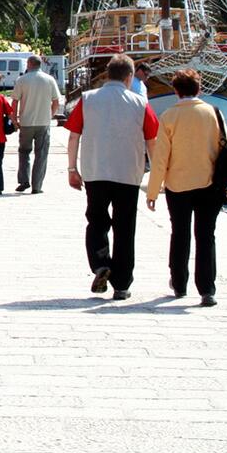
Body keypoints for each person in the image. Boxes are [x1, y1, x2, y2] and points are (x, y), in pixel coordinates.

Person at [64, 54, 159, 301]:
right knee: (125, 228)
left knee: (96, 220)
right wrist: (158, 175)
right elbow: (152, 141)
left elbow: (74, 135)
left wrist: (72, 169)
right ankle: (122, 284)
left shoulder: (88, 100)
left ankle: (100, 263)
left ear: (107, 74)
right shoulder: (140, 103)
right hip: (128, 172)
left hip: (96, 171)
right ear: (129, 77)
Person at [145, 69, 227, 307]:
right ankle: (207, 289)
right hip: (209, 184)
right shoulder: (213, 113)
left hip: (178, 185)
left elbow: (160, 158)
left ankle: (179, 284)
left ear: (175, 91)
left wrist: (153, 192)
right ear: (199, 89)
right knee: (206, 236)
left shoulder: (169, 116)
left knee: (180, 234)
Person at [11, 54, 62, 194]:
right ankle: (37, 185)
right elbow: (56, 102)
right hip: (43, 122)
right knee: (41, 154)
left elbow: (15, 101)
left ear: (29, 64)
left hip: (26, 122)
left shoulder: (22, 80)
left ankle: (23, 181)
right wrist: (50, 115)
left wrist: (14, 119)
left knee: (24, 152)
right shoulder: (49, 79)